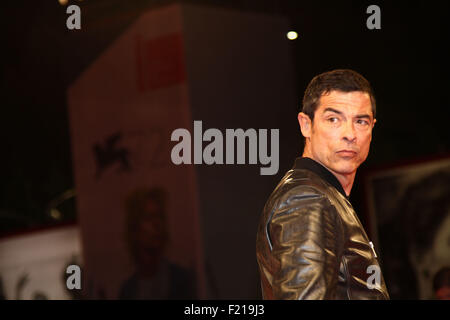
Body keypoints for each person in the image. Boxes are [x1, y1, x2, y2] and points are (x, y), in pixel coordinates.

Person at [256, 69, 390, 299]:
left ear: (372, 128)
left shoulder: (324, 196)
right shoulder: (307, 199)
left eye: (360, 121)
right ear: (306, 125)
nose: (350, 134)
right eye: (333, 119)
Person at [119, 187, 196, 299]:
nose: (156, 224)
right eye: (148, 218)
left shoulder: (181, 280)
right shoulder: (127, 291)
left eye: (160, 217)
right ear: (134, 228)